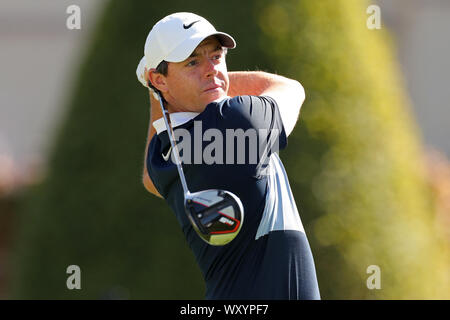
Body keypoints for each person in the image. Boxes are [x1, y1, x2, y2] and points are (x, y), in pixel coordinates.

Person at [136, 12, 320, 299]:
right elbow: (290, 88)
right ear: (159, 79)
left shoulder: (161, 155)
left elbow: (149, 181)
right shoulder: (238, 119)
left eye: (216, 56)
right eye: (193, 62)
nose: (211, 69)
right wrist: (216, 81)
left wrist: (162, 89)